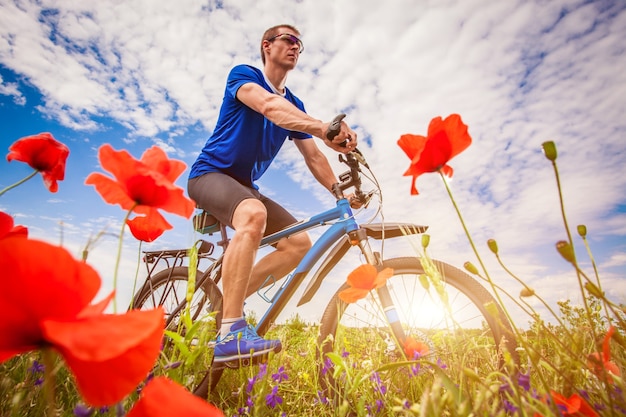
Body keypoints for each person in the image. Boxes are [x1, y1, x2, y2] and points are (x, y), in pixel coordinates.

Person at [187, 24, 358, 363]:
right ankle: (231, 332)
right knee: (253, 213)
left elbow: (313, 155)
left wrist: (339, 193)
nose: (296, 47)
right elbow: (268, 106)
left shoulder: (295, 103)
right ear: (267, 46)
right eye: (289, 40)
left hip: (245, 188)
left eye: (300, 44)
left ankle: (222, 308)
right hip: (210, 175)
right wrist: (323, 126)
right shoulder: (244, 75)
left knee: (298, 244)